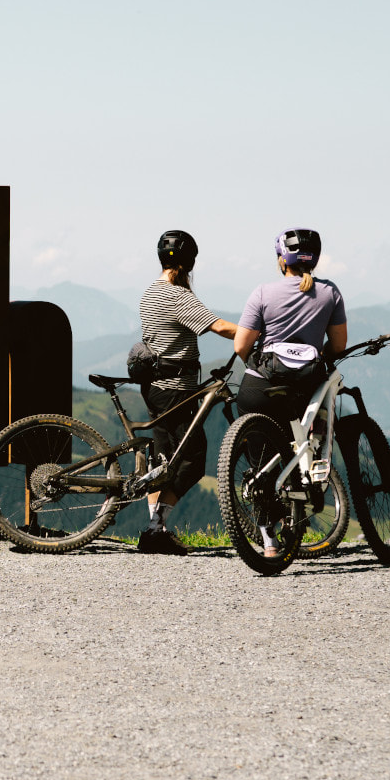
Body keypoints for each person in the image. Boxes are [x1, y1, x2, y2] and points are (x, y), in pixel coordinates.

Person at [230, 229, 348, 558]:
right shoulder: (329, 292)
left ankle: (268, 540)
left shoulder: (263, 292)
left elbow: (241, 345)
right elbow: (338, 346)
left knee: (261, 462)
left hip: (260, 387)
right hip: (305, 390)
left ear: (283, 259)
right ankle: (304, 496)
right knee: (304, 443)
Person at [132, 230, 239, 555]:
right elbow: (219, 326)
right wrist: (255, 334)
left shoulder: (150, 291)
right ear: (190, 262)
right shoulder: (179, 295)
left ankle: (156, 530)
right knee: (192, 461)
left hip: (154, 387)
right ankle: (155, 528)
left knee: (163, 461)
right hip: (176, 390)